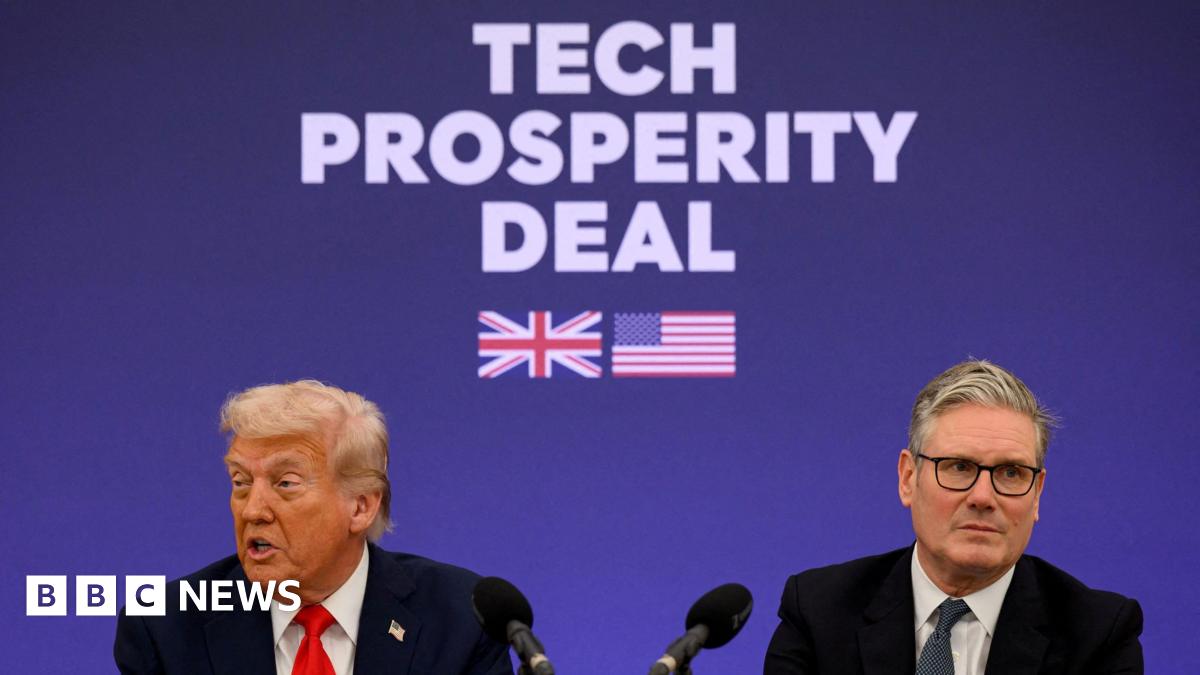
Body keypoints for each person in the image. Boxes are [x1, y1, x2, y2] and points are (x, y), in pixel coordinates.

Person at [764, 360, 1143, 674]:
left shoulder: (1099, 634)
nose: (983, 496)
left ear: (1038, 493)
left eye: (1011, 473)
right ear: (908, 478)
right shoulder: (819, 612)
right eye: (959, 467)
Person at [115, 380, 513, 675]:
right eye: (240, 482)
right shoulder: (166, 626)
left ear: (361, 506)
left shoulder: (460, 618)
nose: (253, 510)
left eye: (285, 483)